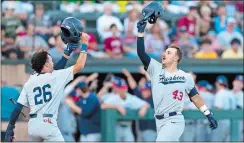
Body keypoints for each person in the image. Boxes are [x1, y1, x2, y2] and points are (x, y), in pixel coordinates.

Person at [136, 19, 218, 141]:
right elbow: (142, 54)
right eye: (165, 52)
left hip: (174, 120)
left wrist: (208, 113)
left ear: (176, 58)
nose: (164, 54)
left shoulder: (185, 76)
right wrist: (140, 32)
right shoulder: (156, 68)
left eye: (168, 53)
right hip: (159, 121)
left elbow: (195, 97)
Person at [4, 30, 89, 141]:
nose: (52, 62)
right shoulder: (55, 77)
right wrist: (85, 43)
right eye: (50, 60)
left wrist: (10, 129)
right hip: (48, 124)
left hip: (33, 127)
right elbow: (80, 65)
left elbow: (17, 109)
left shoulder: (30, 81)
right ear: (45, 64)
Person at [101, 77, 150, 142]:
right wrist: (116, 107)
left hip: (127, 126)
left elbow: (146, 104)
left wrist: (144, 107)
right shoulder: (113, 97)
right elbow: (102, 105)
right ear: (117, 89)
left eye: (124, 88)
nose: (123, 90)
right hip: (116, 126)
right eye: (121, 88)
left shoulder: (130, 97)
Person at [122, 68, 157, 141]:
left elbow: (154, 83)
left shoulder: (154, 97)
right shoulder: (140, 96)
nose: (144, 92)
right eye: (143, 90)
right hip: (140, 130)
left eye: (146, 90)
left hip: (151, 130)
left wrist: (145, 73)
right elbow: (134, 86)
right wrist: (128, 75)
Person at [211, 75, 236, 142]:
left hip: (222, 123)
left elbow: (218, 109)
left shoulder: (219, 93)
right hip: (232, 122)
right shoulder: (231, 93)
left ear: (217, 83)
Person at [231, 75, 243, 141]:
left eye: (241, 83)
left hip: (239, 123)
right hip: (225, 123)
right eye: (237, 81)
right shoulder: (226, 93)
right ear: (233, 82)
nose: (238, 84)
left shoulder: (242, 95)